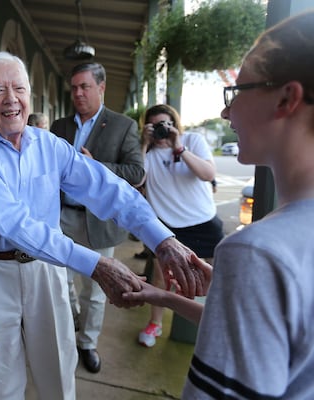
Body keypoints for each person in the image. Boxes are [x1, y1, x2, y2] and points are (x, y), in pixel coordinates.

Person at [0, 51, 206, 400]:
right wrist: (97, 263)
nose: (11, 99)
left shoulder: (49, 144)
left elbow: (107, 188)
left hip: (45, 268)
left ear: (29, 96)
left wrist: (161, 239)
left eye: (19, 89)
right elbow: (12, 222)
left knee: (58, 369)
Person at [124, 10, 314, 399]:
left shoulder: (259, 253)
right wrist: (163, 296)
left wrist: (243, 279)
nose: (227, 112)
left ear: (286, 98)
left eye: (237, 92)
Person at [50, 62, 145, 373]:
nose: (78, 93)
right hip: (62, 217)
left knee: (97, 289)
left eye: (85, 86)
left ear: (101, 88)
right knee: (61, 282)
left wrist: (98, 166)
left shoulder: (122, 126)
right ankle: (71, 324)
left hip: (98, 223)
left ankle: (87, 343)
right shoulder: (60, 127)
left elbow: (136, 172)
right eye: (74, 87)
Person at [136, 104, 224, 348]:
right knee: (160, 278)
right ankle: (155, 323)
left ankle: (217, 326)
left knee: (217, 278)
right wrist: (144, 145)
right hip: (170, 228)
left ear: (174, 123)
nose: (162, 131)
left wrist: (178, 147)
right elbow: (137, 181)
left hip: (203, 222)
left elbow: (207, 173)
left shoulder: (192, 140)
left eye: (166, 124)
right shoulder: (149, 155)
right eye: (155, 127)